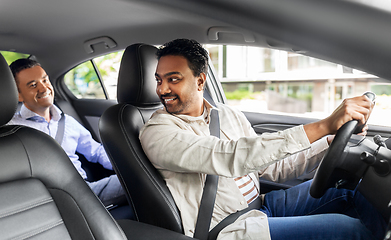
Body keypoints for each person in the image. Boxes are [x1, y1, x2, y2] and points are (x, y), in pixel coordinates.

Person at [139, 39, 386, 240]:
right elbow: (230, 156)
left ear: (200, 80)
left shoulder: (227, 114)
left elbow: (271, 167)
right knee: (352, 231)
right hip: (229, 229)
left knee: (352, 191)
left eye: (173, 79)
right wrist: (323, 125)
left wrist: (329, 143)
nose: (162, 89)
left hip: (260, 205)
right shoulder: (158, 132)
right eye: (159, 80)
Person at [8, 58, 126, 208]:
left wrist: (128, 165)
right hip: (47, 201)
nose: (44, 88)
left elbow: (96, 152)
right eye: (33, 85)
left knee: (138, 178)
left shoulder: (67, 122)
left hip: (84, 191)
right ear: (18, 95)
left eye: (45, 80)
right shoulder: (12, 130)